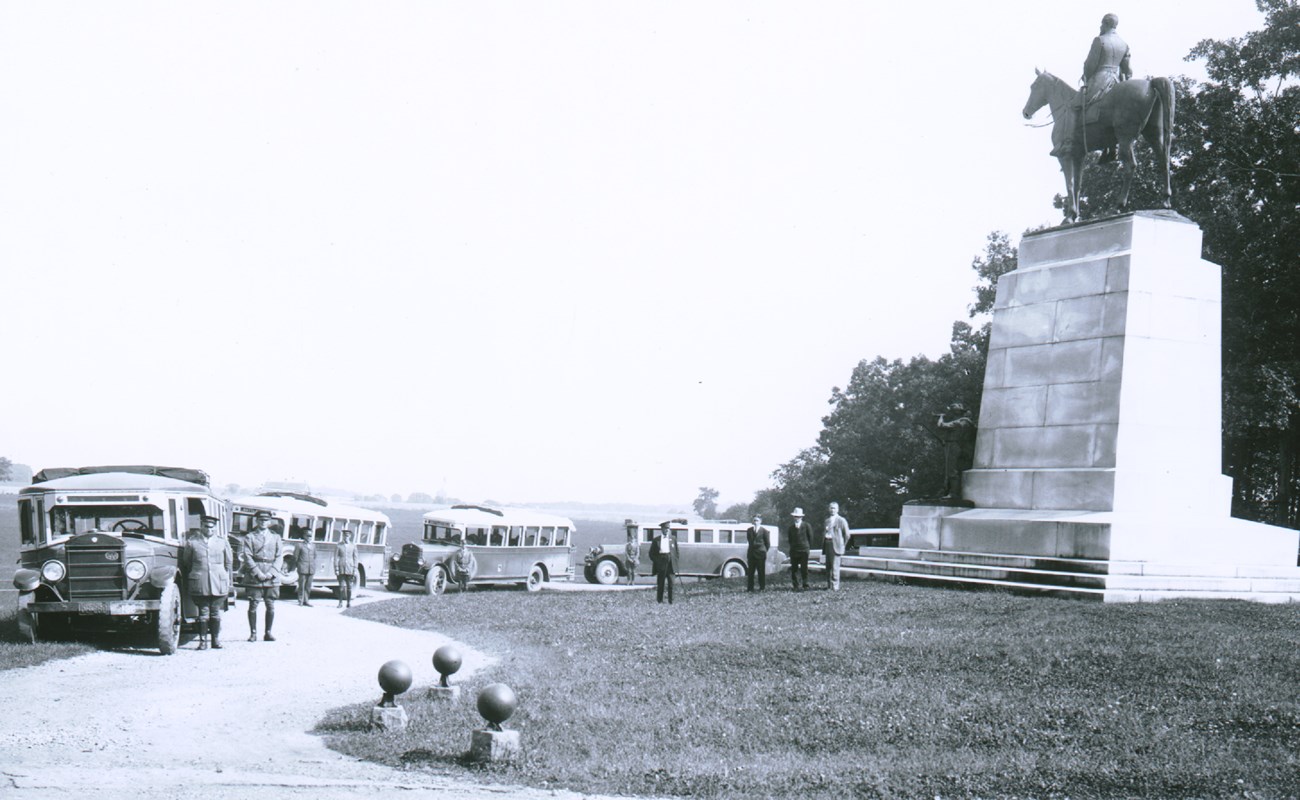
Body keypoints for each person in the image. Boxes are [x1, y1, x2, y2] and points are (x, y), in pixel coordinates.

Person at [1078, 13, 1132, 162]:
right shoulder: (1124, 44)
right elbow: (1127, 70)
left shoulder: (1099, 40)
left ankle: (1070, 142)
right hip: (1116, 81)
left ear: (1106, 24)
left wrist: (1086, 78)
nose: (1100, 27)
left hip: (1100, 80)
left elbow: (1089, 65)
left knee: (1076, 105)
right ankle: (1111, 147)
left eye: (1101, 24)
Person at [179, 514, 232, 650]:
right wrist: (198, 572)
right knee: (203, 613)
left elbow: (228, 563)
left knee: (215, 612)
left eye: (211, 527)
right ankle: (203, 642)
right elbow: (187, 562)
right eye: (206, 526)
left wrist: (225, 578)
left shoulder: (222, 542)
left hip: (218, 582)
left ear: (215, 528)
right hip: (200, 581)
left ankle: (216, 640)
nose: (209, 529)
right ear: (201, 526)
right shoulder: (192, 542)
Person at [239, 510, 283, 642]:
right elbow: (247, 556)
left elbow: (279, 556)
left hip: (271, 575)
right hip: (255, 576)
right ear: (256, 521)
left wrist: (272, 572)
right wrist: (257, 572)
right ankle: (253, 633)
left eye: (266, 520)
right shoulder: (250, 537)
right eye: (260, 520)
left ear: (269, 522)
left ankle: (268, 633)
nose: (263, 522)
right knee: (253, 604)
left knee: (270, 605)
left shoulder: (276, 537)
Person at [822, 501, 850, 592]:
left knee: (835, 566)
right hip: (828, 544)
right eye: (831, 508)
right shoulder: (826, 521)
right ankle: (829, 585)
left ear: (837, 509)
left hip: (836, 546)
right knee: (828, 566)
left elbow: (847, 535)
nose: (832, 510)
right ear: (828, 509)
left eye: (834, 508)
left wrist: (842, 545)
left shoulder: (841, 520)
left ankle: (835, 586)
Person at [650, 521, 679, 604]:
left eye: (668, 528)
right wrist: (658, 562)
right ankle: (660, 600)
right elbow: (651, 554)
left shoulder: (673, 539)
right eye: (665, 528)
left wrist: (675, 562)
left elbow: (677, 552)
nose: (667, 530)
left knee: (671, 583)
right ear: (662, 529)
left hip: (671, 563)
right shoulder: (656, 540)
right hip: (661, 563)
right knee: (661, 583)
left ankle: (671, 601)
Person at [785, 507, 813, 591]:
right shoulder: (791, 528)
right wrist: (793, 547)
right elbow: (790, 539)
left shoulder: (807, 525)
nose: (796, 518)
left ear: (801, 517)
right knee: (794, 569)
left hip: (804, 550)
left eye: (798, 516)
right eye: (795, 516)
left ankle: (805, 584)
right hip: (794, 550)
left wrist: (807, 547)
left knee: (804, 568)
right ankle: (795, 585)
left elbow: (810, 538)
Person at [333, 528, 359, 608]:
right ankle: (340, 603)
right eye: (345, 535)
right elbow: (335, 558)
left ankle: (348, 603)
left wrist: (355, 569)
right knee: (341, 586)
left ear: (350, 536)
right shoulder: (339, 545)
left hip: (350, 568)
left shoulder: (353, 546)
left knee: (349, 587)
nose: (346, 537)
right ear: (343, 536)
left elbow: (355, 558)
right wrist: (336, 568)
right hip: (341, 568)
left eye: (347, 535)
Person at [294, 526, 317, 606]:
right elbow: (296, 557)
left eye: (310, 536)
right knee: (301, 585)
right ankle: (300, 600)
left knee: (308, 585)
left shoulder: (313, 546)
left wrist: (313, 565)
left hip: (311, 568)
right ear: (304, 536)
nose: (309, 537)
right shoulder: (299, 545)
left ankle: (306, 600)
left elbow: (314, 556)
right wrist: (298, 566)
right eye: (308, 535)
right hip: (302, 567)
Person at [745, 514, 769, 592]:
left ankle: (762, 587)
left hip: (761, 554)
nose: (755, 522)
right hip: (751, 554)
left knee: (761, 572)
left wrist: (763, 551)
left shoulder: (764, 531)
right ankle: (750, 588)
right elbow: (749, 541)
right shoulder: (749, 530)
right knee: (750, 572)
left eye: (757, 520)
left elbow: (767, 544)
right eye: (754, 520)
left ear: (760, 521)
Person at [623, 520, 640, 586]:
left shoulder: (636, 545)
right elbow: (626, 552)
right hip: (629, 559)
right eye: (631, 539)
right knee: (629, 571)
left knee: (633, 571)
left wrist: (635, 558)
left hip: (634, 559)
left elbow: (638, 552)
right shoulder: (628, 545)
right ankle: (628, 581)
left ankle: (633, 581)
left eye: (633, 539)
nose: (632, 540)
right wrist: (629, 558)